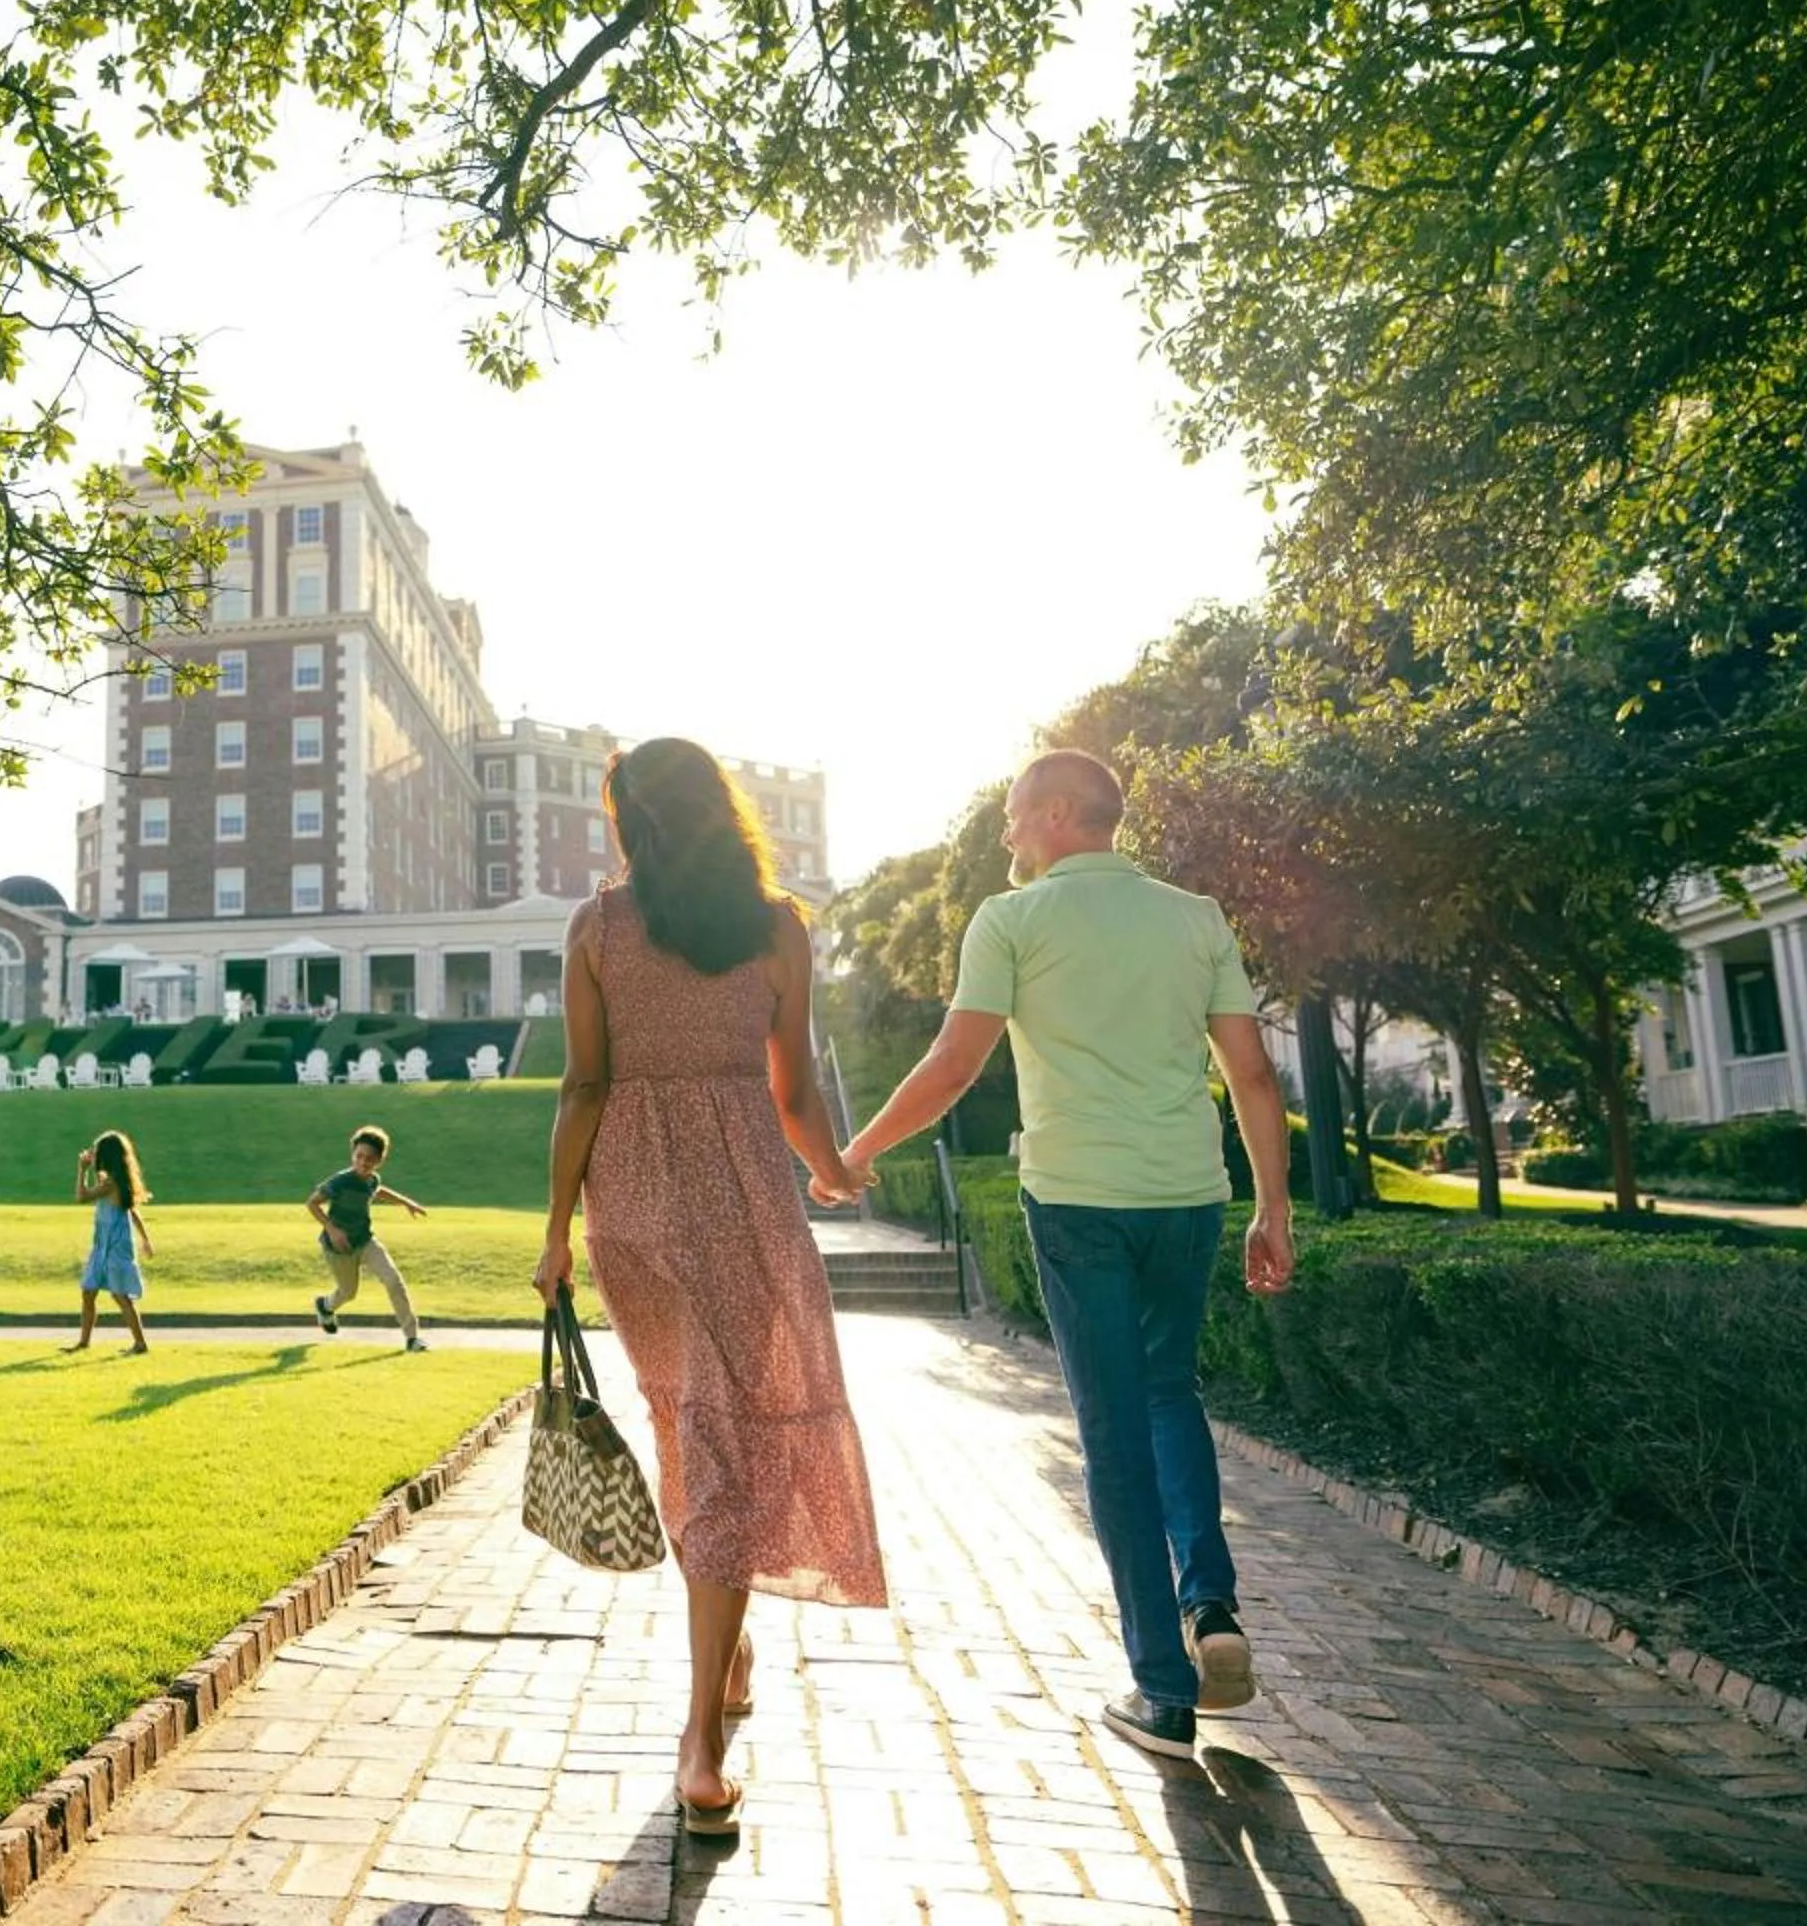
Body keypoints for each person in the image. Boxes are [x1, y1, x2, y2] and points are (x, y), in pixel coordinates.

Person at [840, 750, 1295, 1762]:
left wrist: (859, 1150)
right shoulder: (1197, 916)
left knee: (1111, 1427)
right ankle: (1210, 1605)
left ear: (1055, 813)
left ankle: (1162, 1688)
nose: (1005, 836)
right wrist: (1275, 1206)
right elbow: (1253, 1071)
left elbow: (956, 1060)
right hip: (1188, 1195)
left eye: (1012, 817)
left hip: (1079, 1197)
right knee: (1170, 1390)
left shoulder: (1012, 920)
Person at [532, 737, 886, 1839]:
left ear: (629, 820)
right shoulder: (780, 925)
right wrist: (832, 1171)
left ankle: (718, 1656)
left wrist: (555, 1232)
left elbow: (584, 1082)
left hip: (631, 1200)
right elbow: (793, 1090)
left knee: (694, 1427)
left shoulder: (596, 927)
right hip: (742, 1200)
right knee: (720, 1430)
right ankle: (701, 1740)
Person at [308, 1125, 431, 1351]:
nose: (363, 1162)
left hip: (365, 1241)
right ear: (353, 1155)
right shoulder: (340, 1182)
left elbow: (378, 1190)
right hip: (339, 1248)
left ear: (379, 1161)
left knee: (394, 1281)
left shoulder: (372, 1179)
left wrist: (406, 1203)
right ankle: (325, 1306)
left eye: (370, 1159)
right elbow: (312, 1203)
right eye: (359, 1156)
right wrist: (332, 1229)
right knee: (348, 1293)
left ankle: (412, 1338)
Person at [68, 1130, 155, 1354]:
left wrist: (81, 1169)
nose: (93, 1155)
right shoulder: (113, 1181)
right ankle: (84, 1341)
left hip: (115, 1246)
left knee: (120, 1295)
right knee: (88, 1291)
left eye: (97, 1153)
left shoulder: (112, 1184)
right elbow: (132, 1213)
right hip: (102, 1245)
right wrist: (145, 1240)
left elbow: (81, 1197)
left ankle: (140, 1343)